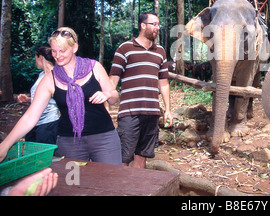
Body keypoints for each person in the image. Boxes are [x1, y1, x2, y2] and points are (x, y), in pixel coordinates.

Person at [0, 27, 122, 166]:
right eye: (54, 51)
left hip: (104, 138)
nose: (57, 56)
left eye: (62, 51)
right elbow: (31, 116)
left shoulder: (94, 67)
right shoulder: (49, 79)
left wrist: (106, 94)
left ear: (74, 47)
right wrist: (5, 145)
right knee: (73, 184)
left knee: (110, 182)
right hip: (69, 142)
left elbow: (114, 96)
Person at [109, 12, 173, 168]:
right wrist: (106, 105)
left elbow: (163, 83)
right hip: (129, 113)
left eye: (158, 24)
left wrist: (168, 110)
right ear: (143, 25)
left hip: (152, 113)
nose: (157, 27)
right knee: (123, 158)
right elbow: (113, 80)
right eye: (154, 24)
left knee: (142, 156)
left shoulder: (160, 52)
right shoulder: (125, 49)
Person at [17, 46, 59, 144]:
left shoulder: (55, 75)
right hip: (34, 122)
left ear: (40, 57)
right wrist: (28, 99)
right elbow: (43, 98)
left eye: (35, 57)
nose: (34, 61)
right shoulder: (41, 74)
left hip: (48, 123)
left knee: (45, 155)